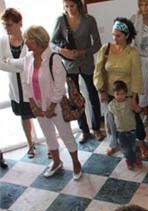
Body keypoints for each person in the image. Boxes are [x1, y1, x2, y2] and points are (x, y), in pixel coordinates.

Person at [21, 25, 82, 180]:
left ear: (37, 41)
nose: (25, 41)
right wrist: (33, 105)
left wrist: (51, 107)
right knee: (48, 135)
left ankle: (76, 163)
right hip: (38, 105)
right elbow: (25, 83)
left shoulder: (53, 58)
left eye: (28, 39)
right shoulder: (28, 58)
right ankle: (56, 162)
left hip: (56, 105)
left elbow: (59, 86)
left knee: (65, 134)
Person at [93, 17, 148, 158]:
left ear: (127, 36)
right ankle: (113, 144)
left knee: (134, 122)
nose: (114, 38)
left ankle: (142, 144)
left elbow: (137, 76)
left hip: (127, 94)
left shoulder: (132, 53)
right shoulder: (105, 49)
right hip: (111, 94)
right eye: (113, 34)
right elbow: (98, 71)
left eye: (118, 36)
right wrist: (101, 90)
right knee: (112, 122)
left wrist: (134, 99)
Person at [51, 0, 103, 143]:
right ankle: (84, 130)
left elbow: (97, 44)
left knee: (93, 96)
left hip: (86, 63)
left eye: (72, 6)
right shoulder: (60, 20)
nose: (69, 9)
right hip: (69, 65)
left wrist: (82, 52)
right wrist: (63, 51)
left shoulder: (89, 20)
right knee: (75, 97)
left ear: (79, 5)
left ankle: (97, 128)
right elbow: (52, 43)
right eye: (66, 6)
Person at [0, 8, 36, 158]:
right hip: (15, 87)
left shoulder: (29, 39)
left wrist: (11, 62)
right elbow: (1, 64)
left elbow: (29, 62)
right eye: (4, 25)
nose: (6, 28)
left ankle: (50, 144)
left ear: (19, 23)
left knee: (39, 115)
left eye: (9, 24)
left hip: (31, 85)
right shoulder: (2, 41)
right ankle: (30, 144)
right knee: (24, 116)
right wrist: (18, 64)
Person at [107, 80, 142, 170]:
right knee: (125, 148)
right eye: (117, 94)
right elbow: (109, 118)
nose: (120, 96)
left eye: (122, 93)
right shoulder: (111, 105)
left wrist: (135, 103)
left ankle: (136, 158)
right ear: (113, 94)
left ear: (126, 93)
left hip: (131, 130)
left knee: (133, 146)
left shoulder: (129, 102)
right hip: (120, 131)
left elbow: (138, 110)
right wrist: (108, 128)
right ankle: (129, 161)